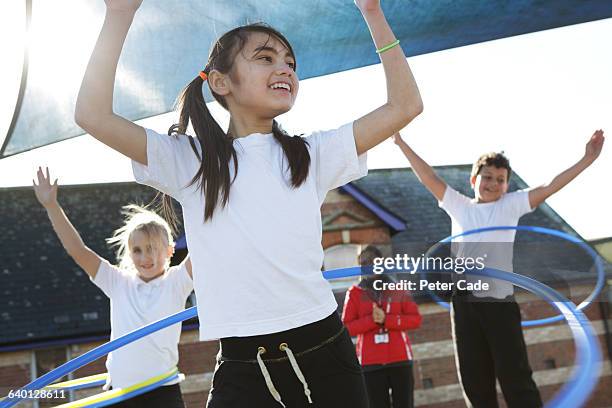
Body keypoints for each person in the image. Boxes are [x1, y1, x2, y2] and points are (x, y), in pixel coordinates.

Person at [74, 0, 422, 405]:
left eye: (291, 63)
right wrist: (118, 16)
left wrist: (373, 12)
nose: (286, 69)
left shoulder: (311, 154)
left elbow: (405, 106)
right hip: (242, 366)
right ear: (221, 82)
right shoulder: (190, 160)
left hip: (325, 350)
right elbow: (92, 115)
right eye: (266, 57)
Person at [392, 129, 605, 407]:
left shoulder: (511, 205)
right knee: (474, 380)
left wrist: (587, 159)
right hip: (464, 302)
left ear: (507, 186)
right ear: (474, 180)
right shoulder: (460, 206)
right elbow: (429, 177)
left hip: (498, 300)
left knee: (514, 375)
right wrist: (400, 142)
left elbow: (549, 186)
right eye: (488, 177)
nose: (493, 183)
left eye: (500, 180)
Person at [33, 167, 193, 408]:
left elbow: (204, 245)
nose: (144, 257)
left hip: (162, 392)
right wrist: (51, 206)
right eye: (137, 250)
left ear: (170, 251)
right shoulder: (119, 283)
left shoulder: (176, 281)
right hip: (120, 392)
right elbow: (79, 252)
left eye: (152, 248)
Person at [342, 246, 422, 408]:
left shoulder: (398, 289)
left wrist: (387, 319)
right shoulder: (355, 293)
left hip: (400, 359)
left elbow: (415, 320)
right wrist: (372, 321)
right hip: (370, 362)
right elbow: (346, 329)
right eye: (363, 262)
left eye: (372, 260)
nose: (368, 265)